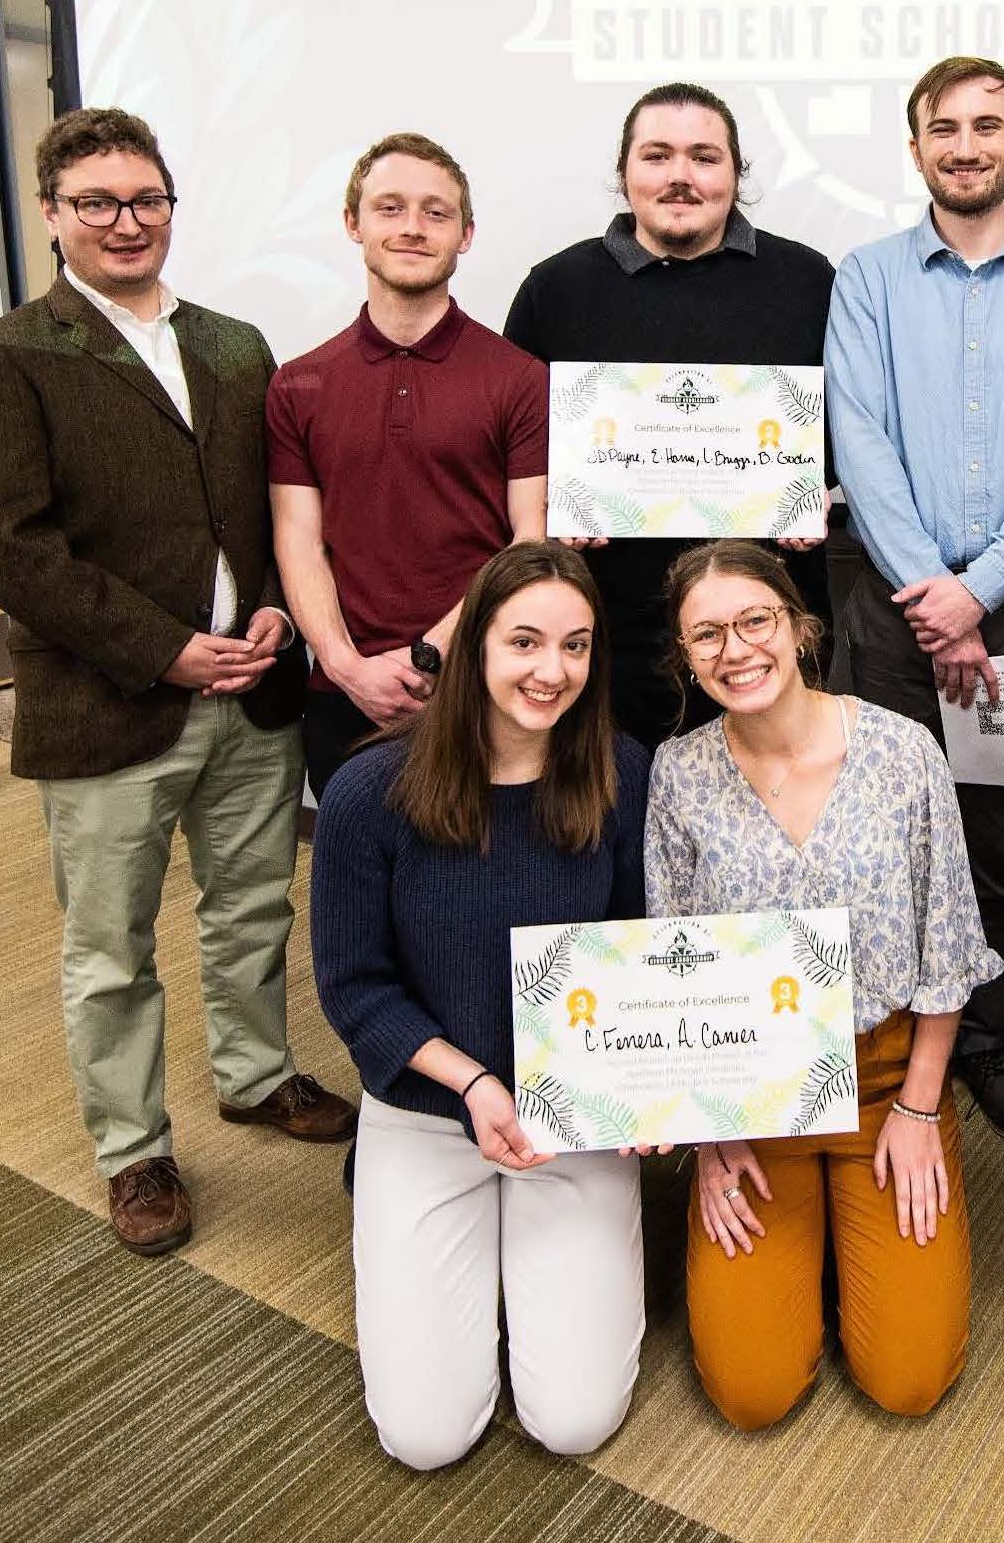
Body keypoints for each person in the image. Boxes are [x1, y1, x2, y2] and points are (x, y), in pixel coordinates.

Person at [0, 107, 353, 1258]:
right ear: (52, 216)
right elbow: (8, 546)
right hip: (112, 700)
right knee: (111, 945)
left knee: (252, 907)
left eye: (146, 200)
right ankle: (134, 1151)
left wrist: (277, 599)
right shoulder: (7, 353)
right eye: (98, 203)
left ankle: (256, 1074)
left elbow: (279, 502)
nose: (127, 222)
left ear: (172, 205)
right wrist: (162, 646)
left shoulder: (235, 344)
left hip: (253, 689)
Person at [827, 54, 1004, 1143]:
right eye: (942, 128)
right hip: (891, 608)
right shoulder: (865, 277)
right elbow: (859, 437)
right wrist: (933, 599)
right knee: (886, 826)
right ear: (915, 150)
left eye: (985, 126)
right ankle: (892, 1036)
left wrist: (980, 592)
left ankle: (985, 1038)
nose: (964, 144)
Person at [309, 542, 651, 1468]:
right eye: (525, 641)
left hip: (571, 1117)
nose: (552, 671)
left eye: (576, 646)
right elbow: (352, 986)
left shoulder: (621, 771)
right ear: (473, 648)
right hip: (426, 1113)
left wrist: (655, 1085)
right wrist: (471, 1085)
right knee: (424, 1434)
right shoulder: (366, 792)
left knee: (572, 1419)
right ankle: (398, 1210)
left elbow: (640, 957)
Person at [646, 541, 999, 1430]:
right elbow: (671, 965)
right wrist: (708, 1130)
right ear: (684, 656)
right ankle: (821, 1243)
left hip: (886, 1085)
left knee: (908, 1379)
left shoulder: (902, 749)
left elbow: (948, 940)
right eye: (707, 635)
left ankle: (856, 1229)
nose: (736, 650)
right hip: (754, 1100)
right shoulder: (677, 773)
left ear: (798, 626)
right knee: (752, 1393)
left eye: (754, 620)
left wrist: (922, 1105)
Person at [503, 82, 835, 751]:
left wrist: (816, 492)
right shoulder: (555, 289)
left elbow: (850, 427)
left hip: (763, 633)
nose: (680, 176)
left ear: (736, 177)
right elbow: (517, 443)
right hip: (604, 629)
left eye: (704, 158)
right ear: (624, 173)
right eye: (657, 155)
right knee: (610, 821)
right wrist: (554, 508)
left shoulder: (807, 281)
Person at [268, 132, 548, 803]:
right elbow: (298, 540)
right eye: (389, 208)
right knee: (362, 894)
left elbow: (530, 537)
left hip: (484, 686)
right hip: (343, 695)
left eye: (436, 212)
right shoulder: (297, 384)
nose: (413, 228)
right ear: (352, 224)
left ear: (466, 233)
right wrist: (344, 666)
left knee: (475, 891)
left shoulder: (520, 378)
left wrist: (429, 657)